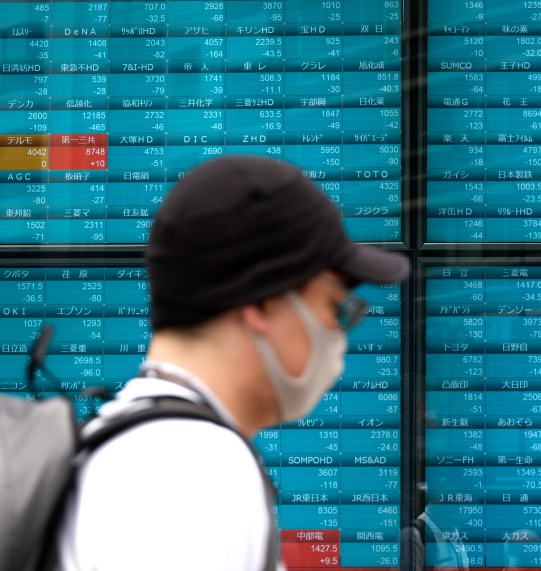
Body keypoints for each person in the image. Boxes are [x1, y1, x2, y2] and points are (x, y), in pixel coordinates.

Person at [55, 154, 409, 571]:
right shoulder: (189, 473)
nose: (338, 333)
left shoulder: (135, 443)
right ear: (263, 302)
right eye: (335, 307)